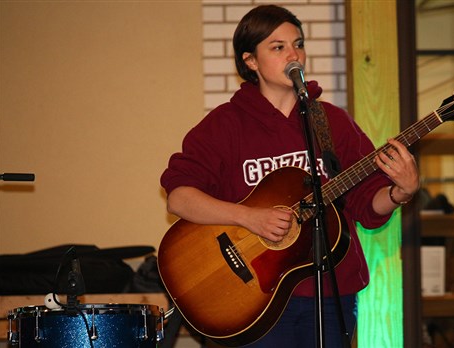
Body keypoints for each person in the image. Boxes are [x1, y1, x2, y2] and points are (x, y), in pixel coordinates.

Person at [160, 4, 419, 348]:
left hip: (331, 292)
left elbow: (364, 205)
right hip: (251, 296)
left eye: (298, 44)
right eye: (278, 47)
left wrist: (401, 191)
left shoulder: (331, 121)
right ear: (250, 60)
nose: (293, 54)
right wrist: (250, 218)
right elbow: (179, 196)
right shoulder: (224, 126)